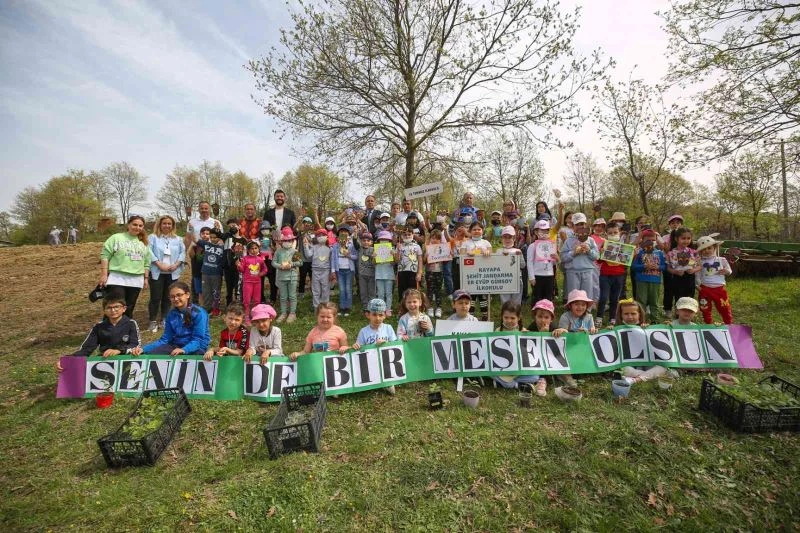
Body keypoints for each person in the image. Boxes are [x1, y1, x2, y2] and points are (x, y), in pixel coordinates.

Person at [56, 297, 141, 371]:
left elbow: (135, 345)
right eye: (109, 308)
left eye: (116, 307)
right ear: (104, 311)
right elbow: (87, 349)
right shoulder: (99, 327)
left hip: (127, 361)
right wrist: (67, 359)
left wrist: (118, 351)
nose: (113, 310)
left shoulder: (131, 323)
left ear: (124, 308)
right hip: (105, 362)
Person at [99, 214, 151, 318]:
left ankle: (126, 326)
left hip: (136, 279)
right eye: (134, 224)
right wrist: (104, 275)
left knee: (129, 307)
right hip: (117, 278)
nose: (137, 227)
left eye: (140, 226)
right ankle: (108, 326)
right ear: (128, 225)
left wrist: (145, 278)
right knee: (115, 306)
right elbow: (105, 256)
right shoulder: (116, 238)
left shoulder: (144, 242)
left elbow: (146, 262)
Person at [615, 299, 679, 384]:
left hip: (647, 362)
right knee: (623, 369)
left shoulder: (646, 327)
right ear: (621, 315)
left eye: (633, 313)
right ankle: (648, 376)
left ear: (639, 314)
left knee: (662, 368)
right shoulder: (616, 329)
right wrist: (607, 330)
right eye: (626, 314)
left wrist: (665, 328)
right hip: (629, 363)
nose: (630, 317)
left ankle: (636, 379)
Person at [141, 281, 210, 356]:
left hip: (196, 348)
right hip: (176, 346)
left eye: (179, 295)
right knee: (152, 354)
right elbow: (165, 339)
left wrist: (184, 350)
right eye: (172, 296)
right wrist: (143, 349)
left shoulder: (199, 313)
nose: (176, 299)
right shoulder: (171, 314)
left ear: (187, 295)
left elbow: (198, 340)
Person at [493, 301, 547, 395]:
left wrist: (527, 338)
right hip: (503, 370)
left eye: (512, 318)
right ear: (502, 316)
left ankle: (502, 383)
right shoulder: (497, 331)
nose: (509, 320)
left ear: (519, 318)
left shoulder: (523, 331)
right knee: (490, 373)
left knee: (535, 377)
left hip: (518, 370)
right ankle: (518, 385)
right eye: (506, 317)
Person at [147, 215, 186, 333]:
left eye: (169, 224)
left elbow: (182, 253)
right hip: (157, 271)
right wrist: (158, 264)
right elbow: (148, 251)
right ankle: (152, 321)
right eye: (164, 223)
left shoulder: (178, 239)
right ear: (160, 224)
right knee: (155, 297)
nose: (167, 225)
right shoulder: (153, 237)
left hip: (172, 272)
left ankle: (164, 319)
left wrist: (176, 264)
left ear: (173, 226)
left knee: (169, 297)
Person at [352, 298, 399, 394]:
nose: (377, 318)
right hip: (370, 361)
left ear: (385, 315)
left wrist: (385, 343)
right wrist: (356, 346)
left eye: (380, 315)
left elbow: (395, 346)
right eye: (374, 314)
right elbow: (359, 348)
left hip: (387, 361)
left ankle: (388, 382)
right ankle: (373, 380)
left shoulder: (388, 328)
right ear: (368, 315)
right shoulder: (363, 331)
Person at [559, 213, 599, 310]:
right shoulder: (568, 241)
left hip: (588, 271)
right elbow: (563, 257)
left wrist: (589, 251)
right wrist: (573, 253)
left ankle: (587, 312)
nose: (581, 226)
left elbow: (596, 256)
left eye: (582, 224)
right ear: (572, 226)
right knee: (573, 294)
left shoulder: (590, 240)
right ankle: (572, 312)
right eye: (577, 224)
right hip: (572, 271)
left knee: (587, 294)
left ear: (586, 225)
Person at [695, 233, 733, 324]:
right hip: (705, 288)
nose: (707, 251)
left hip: (719, 289)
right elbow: (697, 274)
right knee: (705, 308)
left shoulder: (722, 260)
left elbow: (729, 270)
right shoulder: (700, 262)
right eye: (704, 249)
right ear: (700, 251)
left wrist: (726, 271)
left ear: (714, 248)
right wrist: (698, 285)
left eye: (709, 248)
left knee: (724, 307)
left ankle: (728, 324)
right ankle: (708, 324)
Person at [663, 227, 700, 319]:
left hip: (690, 278)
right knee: (678, 298)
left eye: (688, 238)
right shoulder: (671, 253)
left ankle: (688, 315)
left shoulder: (693, 252)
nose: (686, 241)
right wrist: (675, 271)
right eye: (683, 238)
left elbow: (700, 265)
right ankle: (678, 316)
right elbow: (668, 268)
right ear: (676, 239)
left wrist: (693, 270)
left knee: (689, 298)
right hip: (677, 278)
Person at [632, 230, 666, 322]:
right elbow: (633, 267)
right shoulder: (639, 252)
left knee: (654, 301)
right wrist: (644, 266)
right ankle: (641, 319)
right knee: (641, 301)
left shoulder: (659, 253)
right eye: (648, 240)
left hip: (655, 280)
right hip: (641, 280)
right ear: (642, 240)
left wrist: (658, 267)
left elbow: (664, 267)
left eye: (653, 240)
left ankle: (655, 320)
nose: (651, 242)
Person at [462, 222, 493, 320]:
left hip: (483, 274)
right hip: (470, 274)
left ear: (482, 231)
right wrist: (467, 252)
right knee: (471, 296)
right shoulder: (466, 243)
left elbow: (492, 255)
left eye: (479, 229)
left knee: (483, 296)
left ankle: (485, 316)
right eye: (474, 229)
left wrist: (487, 252)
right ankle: (470, 317)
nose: (476, 231)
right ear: (470, 231)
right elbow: (461, 253)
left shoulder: (486, 243)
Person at [597, 223, 626, 326]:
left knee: (615, 299)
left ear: (620, 233)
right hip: (605, 275)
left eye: (615, 232)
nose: (613, 234)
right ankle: (599, 318)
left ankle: (612, 318)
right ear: (606, 234)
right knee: (603, 297)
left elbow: (626, 262)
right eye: (610, 233)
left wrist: (633, 255)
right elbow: (598, 261)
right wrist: (600, 253)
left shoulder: (624, 247)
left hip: (619, 275)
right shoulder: (604, 244)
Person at [272, 227, 303, 323]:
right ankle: (283, 313)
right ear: (282, 241)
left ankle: (292, 313)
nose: (287, 242)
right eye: (285, 240)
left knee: (292, 296)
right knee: (283, 296)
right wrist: (280, 266)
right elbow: (273, 262)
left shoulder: (295, 251)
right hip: (282, 277)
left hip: (292, 277)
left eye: (289, 240)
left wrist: (292, 264)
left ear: (293, 241)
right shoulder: (278, 251)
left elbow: (300, 262)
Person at [195, 227, 225, 317]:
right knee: (206, 291)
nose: (212, 239)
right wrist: (191, 229)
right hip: (205, 273)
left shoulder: (223, 247)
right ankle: (207, 308)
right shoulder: (206, 244)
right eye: (211, 237)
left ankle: (216, 309)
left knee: (216, 292)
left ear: (219, 238)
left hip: (216, 274)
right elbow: (194, 239)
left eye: (215, 237)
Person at [528, 219, 558, 306]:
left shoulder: (551, 245)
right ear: (536, 232)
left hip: (549, 275)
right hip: (537, 275)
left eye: (546, 231)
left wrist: (556, 259)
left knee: (548, 296)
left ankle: (548, 311)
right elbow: (529, 262)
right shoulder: (532, 246)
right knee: (537, 296)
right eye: (542, 230)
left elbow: (553, 263)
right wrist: (531, 277)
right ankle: (536, 311)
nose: (544, 233)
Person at [238, 241, 268, 324]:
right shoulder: (245, 259)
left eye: (256, 248)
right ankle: (246, 316)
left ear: (258, 249)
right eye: (252, 249)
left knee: (257, 300)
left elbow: (265, 269)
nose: (254, 250)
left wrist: (260, 274)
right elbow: (242, 270)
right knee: (247, 300)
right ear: (248, 250)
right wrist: (239, 266)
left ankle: (255, 314)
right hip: (247, 282)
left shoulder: (260, 259)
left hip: (257, 283)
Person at [303, 228, 333, 311]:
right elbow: (308, 255)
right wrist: (306, 246)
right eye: (319, 235)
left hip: (326, 271)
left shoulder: (330, 248)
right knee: (316, 290)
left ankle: (325, 306)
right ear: (316, 237)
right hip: (315, 270)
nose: (321, 237)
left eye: (323, 235)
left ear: (326, 237)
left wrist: (332, 272)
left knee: (325, 289)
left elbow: (332, 261)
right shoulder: (314, 247)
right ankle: (316, 307)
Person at [331, 225, 357, 317]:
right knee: (342, 289)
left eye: (345, 232)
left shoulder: (351, 245)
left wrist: (349, 255)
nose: (343, 233)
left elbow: (356, 256)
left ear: (348, 234)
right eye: (341, 232)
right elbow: (333, 259)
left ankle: (348, 307)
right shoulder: (335, 246)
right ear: (338, 235)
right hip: (339, 271)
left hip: (349, 270)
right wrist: (333, 271)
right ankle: (342, 307)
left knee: (348, 289)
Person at [221, 218, 247, 308]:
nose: (232, 227)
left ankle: (238, 305)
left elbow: (244, 254)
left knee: (238, 287)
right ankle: (229, 305)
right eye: (230, 226)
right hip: (227, 267)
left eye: (234, 225)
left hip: (238, 267)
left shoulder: (243, 240)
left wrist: (242, 263)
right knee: (229, 287)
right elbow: (219, 236)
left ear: (239, 226)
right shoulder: (227, 237)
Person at [498, 226, 525, 306]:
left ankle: (516, 313)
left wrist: (519, 256)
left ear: (514, 238)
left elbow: (523, 266)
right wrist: (501, 256)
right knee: (505, 302)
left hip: (516, 279)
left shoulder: (517, 251)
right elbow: (496, 266)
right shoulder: (499, 251)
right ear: (501, 238)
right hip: (503, 279)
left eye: (509, 237)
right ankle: (505, 313)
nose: (507, 239)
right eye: (505, 237)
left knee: (516, 301)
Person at [423, 229, 447, 318]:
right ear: (430, 239)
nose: (435, 240)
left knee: (438, 290)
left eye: (437, 238)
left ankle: (439, 308)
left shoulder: (443, 249)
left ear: (440, 240)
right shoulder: (428, 248)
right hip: (429, 272)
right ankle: (429, 308)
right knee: (430, 290)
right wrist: (426, 256)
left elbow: (446, 260)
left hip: (439, 272)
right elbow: (424, 261)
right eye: (433, 238)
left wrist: (448, 254)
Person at [396, 225, 423, 302]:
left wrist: (419, 273)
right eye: (405, 235)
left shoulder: (417, 246)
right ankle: (403, 307)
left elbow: (420, 260)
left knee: (413, 292)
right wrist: (398, 250)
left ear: (413, 235)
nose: (407, 236)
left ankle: (414, 305)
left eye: (409, 234)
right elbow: (397, 261)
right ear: (402, 236)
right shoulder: (399, 246)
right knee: (402, 292)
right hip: (401, 272)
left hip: (413, 272)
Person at [374, 230, 396, 316]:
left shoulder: (392, 249)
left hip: (389, 275)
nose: (384, 241)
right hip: (379, 275)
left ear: (389, 240)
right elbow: (374, 263)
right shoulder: (376, 250)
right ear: (379, 240)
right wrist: (374, 257)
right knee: (380, 293)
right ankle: (381, 309)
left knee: (388, 293)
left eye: (386, 239)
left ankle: (388, 309)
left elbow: (393, 264)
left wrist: (393, 256)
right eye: (382, 239)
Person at [356, 231, 377, 310]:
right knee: (363, 292)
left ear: (371, 242)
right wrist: (355, 235)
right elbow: (355, 243)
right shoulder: (359, 249)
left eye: (368, 241)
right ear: (361, 242)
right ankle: (365, 307)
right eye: (364, 240)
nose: (366, 242)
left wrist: (374, 257)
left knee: (372, 292)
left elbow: (376, 262)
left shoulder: (374, 249)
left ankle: (372, 307)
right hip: (362, 275)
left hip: (372, 274)